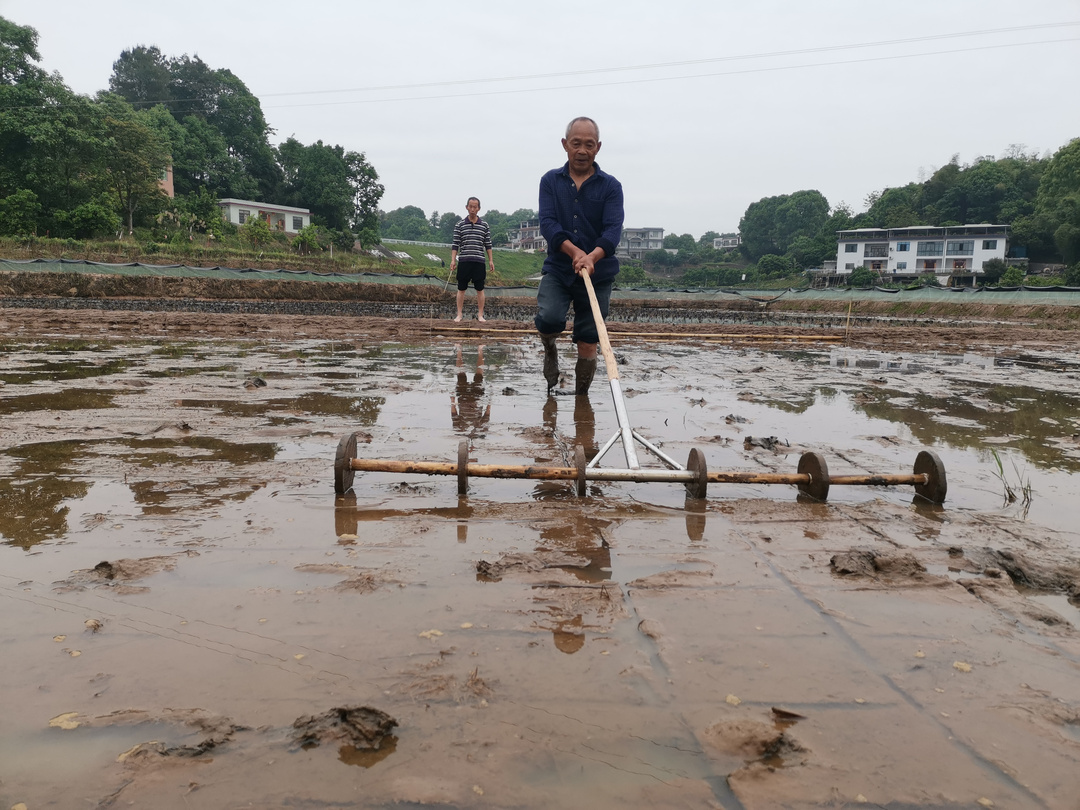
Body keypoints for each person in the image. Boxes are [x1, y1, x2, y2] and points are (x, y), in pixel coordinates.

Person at [534, 117, 624, 395]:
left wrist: (592, 257)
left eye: (588, 144)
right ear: (565, 145)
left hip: (598, 273)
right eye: (576, 144)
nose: (582, 150)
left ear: (597, 148)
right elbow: (548, 223)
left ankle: (581, 398)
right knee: (548, 318)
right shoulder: (550, 181)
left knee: (588, 338)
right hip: (560, 268)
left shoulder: (611, 186)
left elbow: (612, 230)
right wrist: (575, 252)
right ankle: (550, 349)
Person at [450, 197, 495, 322]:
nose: (473, 209)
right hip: (464, 260)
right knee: (461, 288)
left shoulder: (484, 225)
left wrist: (491, 260)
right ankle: (459, 314)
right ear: (467, 207)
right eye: (470, 206)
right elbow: (455, 244)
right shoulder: (459, 225)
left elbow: (488, 244)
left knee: (480, 289)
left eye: (475, 207)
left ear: (479, 208)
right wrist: (453, 260)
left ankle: (480, 315)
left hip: (479, 261)